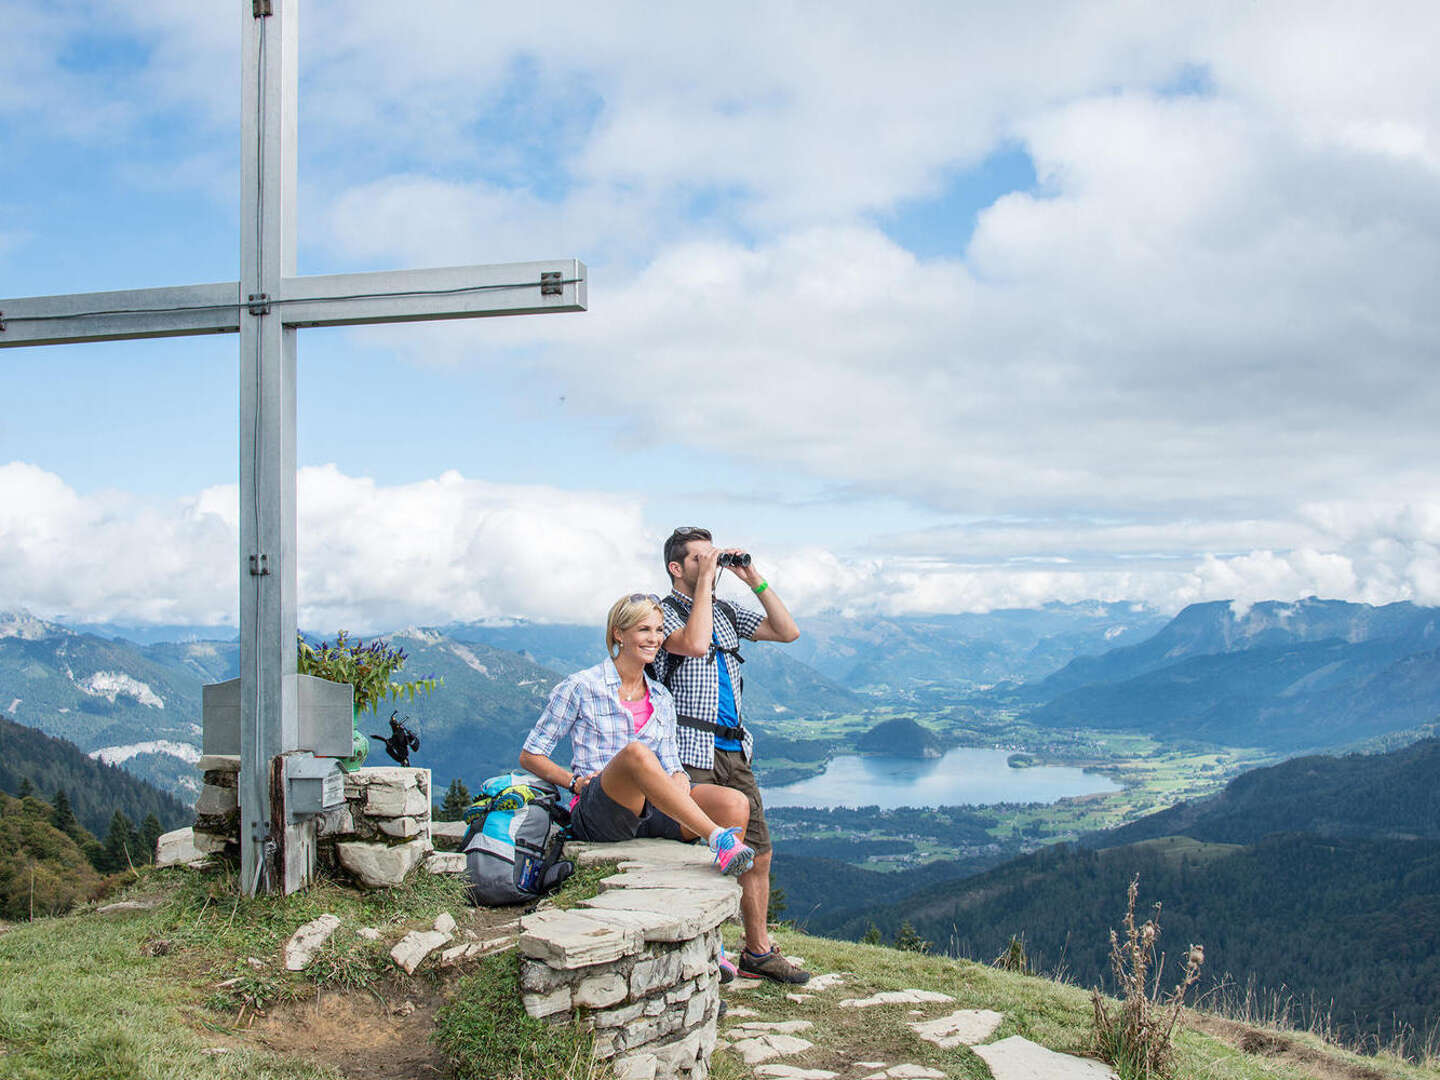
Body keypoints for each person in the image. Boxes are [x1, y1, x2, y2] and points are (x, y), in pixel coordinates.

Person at [651, 526, 806, 983]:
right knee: (701, 851)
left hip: (734, 749)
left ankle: (757, 951)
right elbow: (695, 645)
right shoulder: (659, 614)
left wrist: (750, 574)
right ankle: (707, 951)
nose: (712, 563)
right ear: (676, 568)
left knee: (757, 851)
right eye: (701, 558)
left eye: (712, 556)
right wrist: (703, 587)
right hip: (686, 748)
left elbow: (787, 630)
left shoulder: (725, 612)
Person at [519, 593, 755, 875]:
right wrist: (573, 783)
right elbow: (531, 754)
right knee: (636, 753)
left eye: (658, 630)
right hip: (601, 810)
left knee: (734, 802)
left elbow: (671, 762)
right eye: (644, 629)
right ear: (618, 634)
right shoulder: (581, 686)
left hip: (653, 809)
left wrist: (679, 777)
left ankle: (725, 881)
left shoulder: (661, 696)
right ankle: (718, 838)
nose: (655, 639)